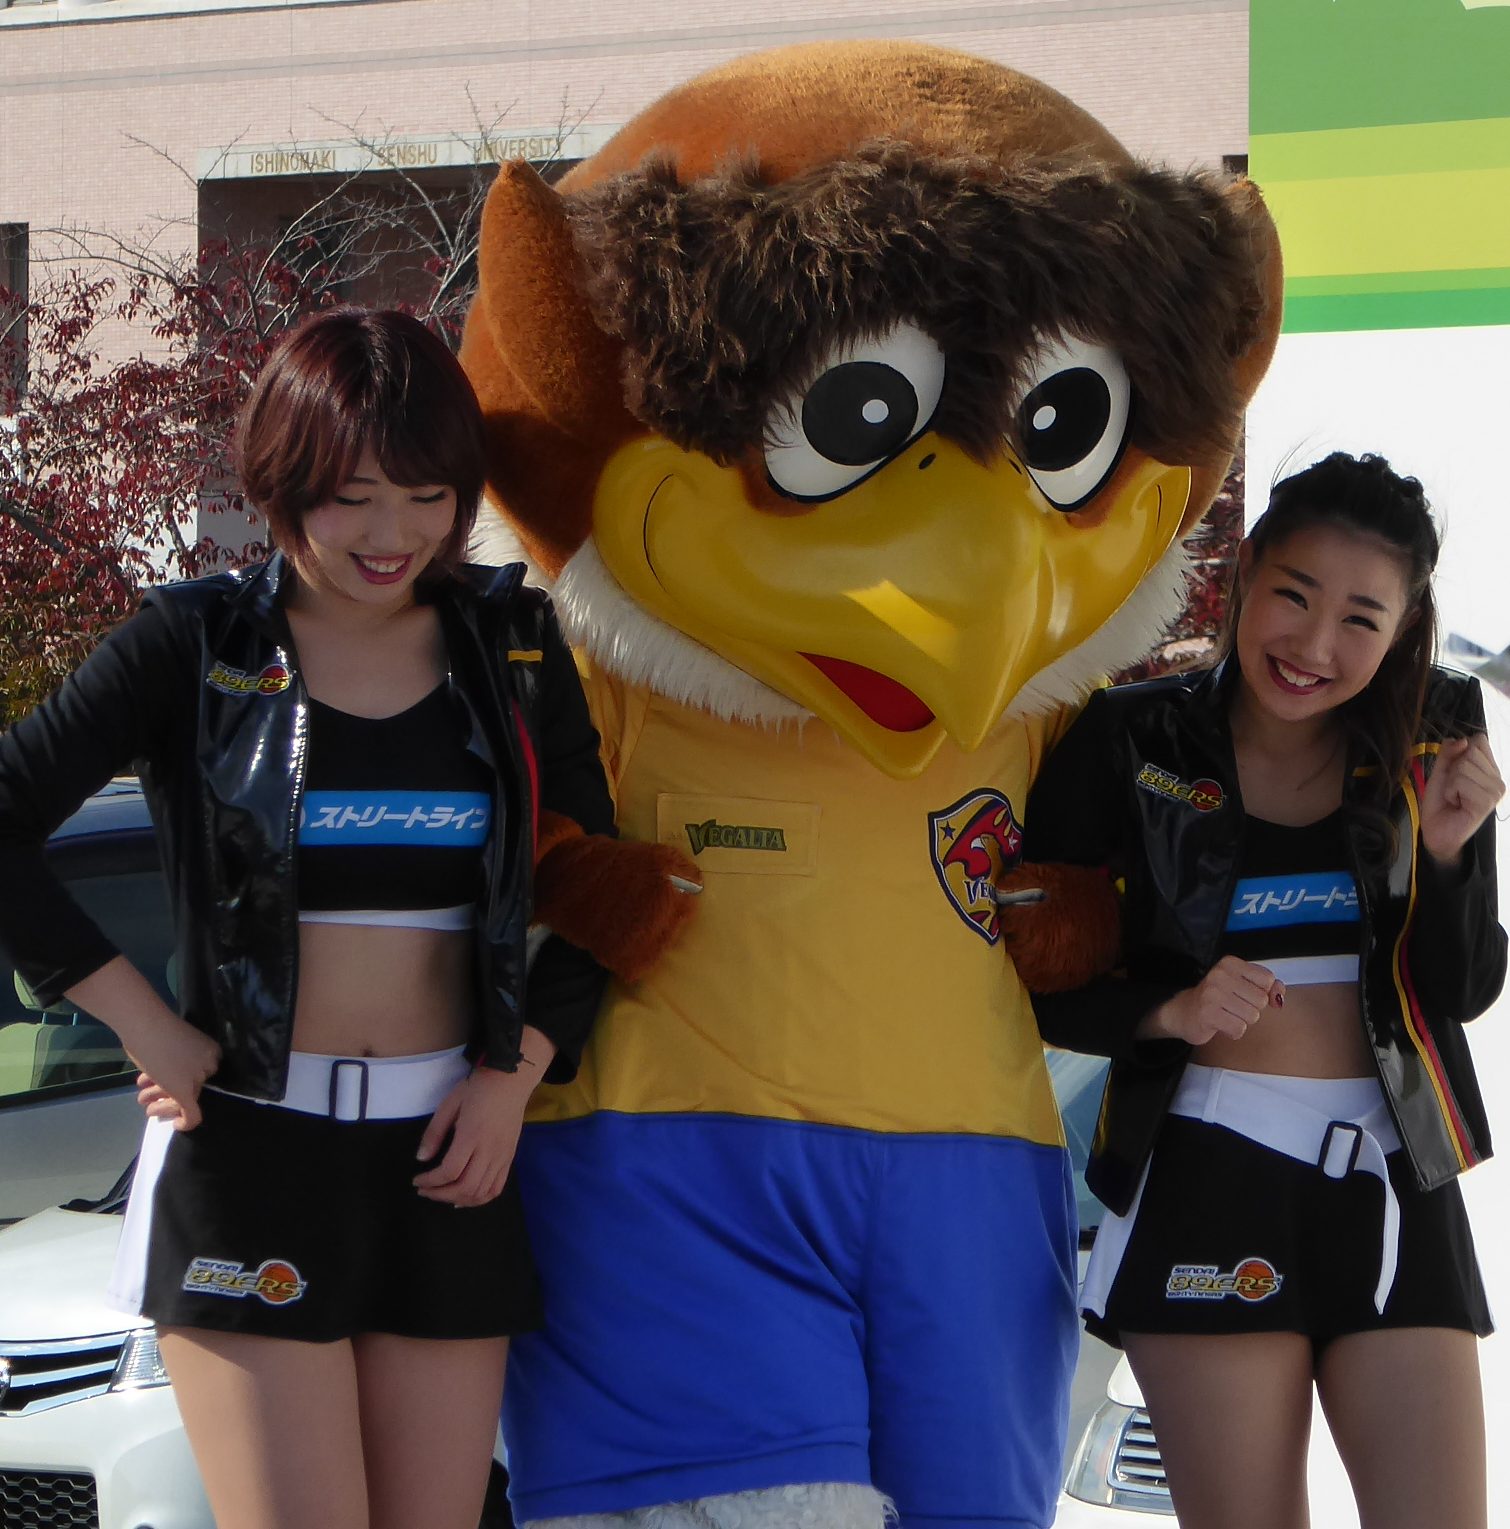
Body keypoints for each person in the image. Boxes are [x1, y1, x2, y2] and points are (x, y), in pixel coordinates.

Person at [0, 308, 616, 1529]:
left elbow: (595, 884)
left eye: (428, 497)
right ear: (283, 482)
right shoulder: (192, 640)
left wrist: (515, 1076)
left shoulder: (514, 645)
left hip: (450, 1157)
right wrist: (141, 1021)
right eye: (353, 498)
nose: (394, 536)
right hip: (248, 1152)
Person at [1022, 452, 1506, 1529]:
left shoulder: (1432, 735)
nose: (1314, 646)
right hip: (1206, 1167)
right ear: (1244, 569)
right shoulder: (1129, 736)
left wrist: (1447, 855)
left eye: (1361, 618)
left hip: (1393, 1174)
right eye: (1294, 594)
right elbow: (1035, 969)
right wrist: (1168, 1011)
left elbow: (1462, 988)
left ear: (1403, 627)